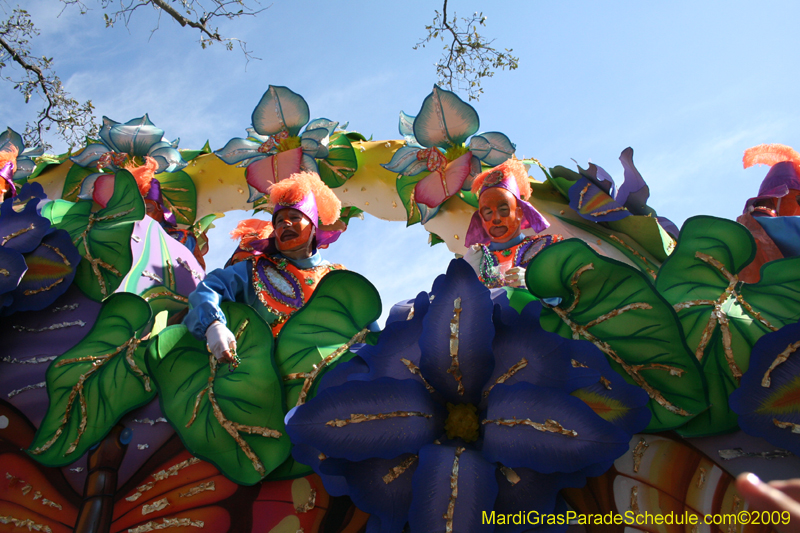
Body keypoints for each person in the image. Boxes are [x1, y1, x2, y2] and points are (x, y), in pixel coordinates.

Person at [184, 171, 345, 363]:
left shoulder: (338, 277)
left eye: (294, 217)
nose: (285, 223)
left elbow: (368, 330)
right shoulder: (255, 269)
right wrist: (212, 324)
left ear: (312, 226)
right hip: (268, 379)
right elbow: (210, 287)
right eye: (278, 221)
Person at [463, 158, 563, 288]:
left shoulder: (547, 247)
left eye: (503, 209)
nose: (496, 218)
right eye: (488, 212)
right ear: (481, 218)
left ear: (519, 213)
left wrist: (535, 283)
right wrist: (463, 275)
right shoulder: (477, 259)